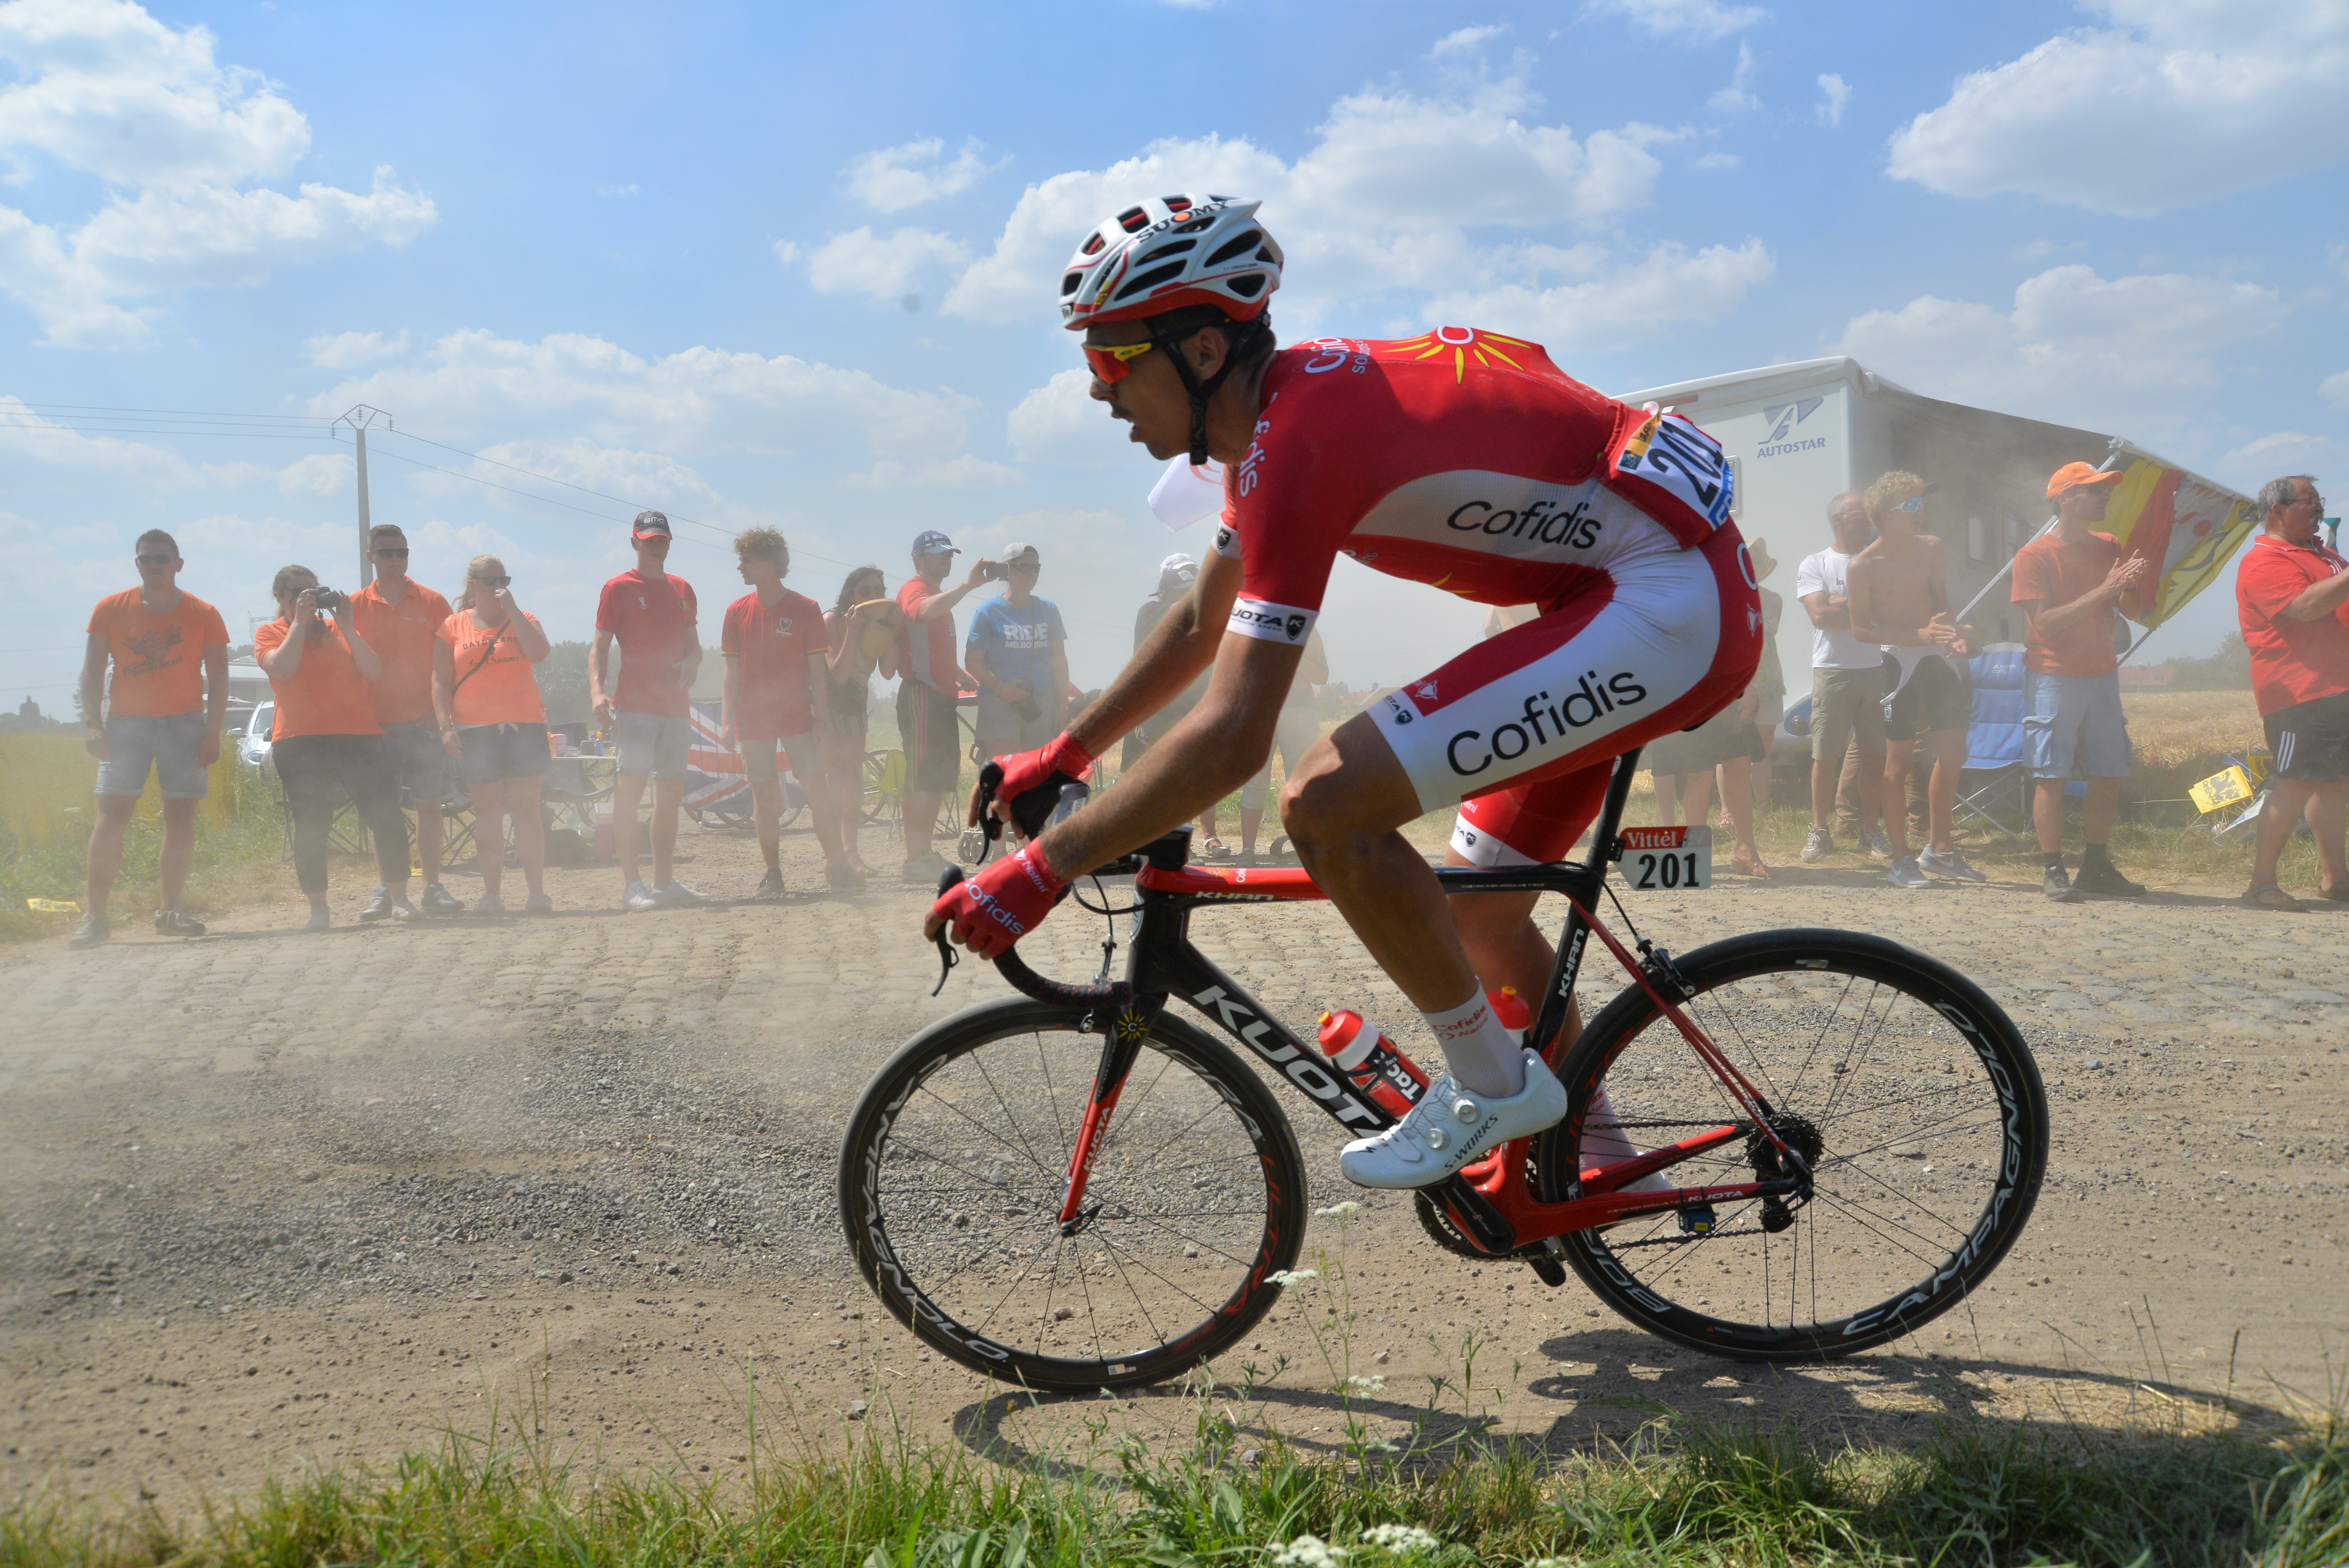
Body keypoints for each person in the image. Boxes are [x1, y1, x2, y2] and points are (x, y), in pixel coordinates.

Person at [927, 193, 1760, 1192]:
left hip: (1665, 599)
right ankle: (1594, 1159)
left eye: (1111, 357)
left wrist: (1041, 867)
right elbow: (1199, 623)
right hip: (1635, 586)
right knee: (1479, 914)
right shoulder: (1279, 424)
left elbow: (1237, 734)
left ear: (1198, 350)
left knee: (1324, 800)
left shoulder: (1300, 439)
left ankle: (1493, 1085)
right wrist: (1065, 752)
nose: (1098, 389)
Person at [71, 529, 230, 948]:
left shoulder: (204, 612)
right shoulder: (110, 608)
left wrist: (212, 732)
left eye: (163, 558)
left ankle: (170, 910)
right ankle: (96, 918)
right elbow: (90, 671)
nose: (155, 565)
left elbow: (219, 678)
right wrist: (93, 722)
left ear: (179, 564)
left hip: (185, 725)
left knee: (180, 818)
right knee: (111, 816)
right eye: (147, 558)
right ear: (136, 563)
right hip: (127, 724)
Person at [2012, 463, 2152, 903]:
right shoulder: (2033, 556)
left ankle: (2095, 866)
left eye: (2104, 490)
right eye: (2094, 491)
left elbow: (2130, 608)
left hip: (2102, 674)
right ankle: (2053, 870)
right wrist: (2104, 588)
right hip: (2053, 675)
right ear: (2064, 499)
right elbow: (2045, 625)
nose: (2104, 497)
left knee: (2107, 772)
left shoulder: (2108, 545)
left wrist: (2127, 587)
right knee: (2051, 775)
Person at [253, 566, 414, 932]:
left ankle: (401, 899)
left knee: (386, 818)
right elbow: (282, 669)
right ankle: (319, 911)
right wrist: (299, 622)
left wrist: (347, 625)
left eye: (313, 592)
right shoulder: (270, 633)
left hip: (358, 737)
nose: (307, 599)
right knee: (312, 826)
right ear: (280, 598)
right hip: (301, 741)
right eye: (297, 593)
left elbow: (374, 672)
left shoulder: (340, 632)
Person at [1848, 472, 1982, 888]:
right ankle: (1901, 858)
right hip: (1897, 661)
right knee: (1899, 763)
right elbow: (1860, 631)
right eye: (1910, 505)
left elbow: (1943, 604)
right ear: (1885, 515)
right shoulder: (1863, 565)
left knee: (1954, 751)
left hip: (1937, 655)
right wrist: (1915, 636)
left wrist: (1958, 633)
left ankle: (1940, 849)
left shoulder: (1932, 547)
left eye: (1921, 503)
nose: (1920, 511)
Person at [2233, 474, 2349, 911]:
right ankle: (2261, 885)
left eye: (2320, 501)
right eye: (2309, 502)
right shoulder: (2264, 559)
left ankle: (2336, 878)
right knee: (2295, 783)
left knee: (2335, 783)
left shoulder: (2323, 553)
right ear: (2277, 510)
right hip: (2298, 691)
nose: (2318, 509)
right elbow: (2303, 608)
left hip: (2338, 686)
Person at [720, 528, 852, 896]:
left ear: (770, 562)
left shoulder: (806, 609)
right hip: (753, 717)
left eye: (746, 560)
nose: (740, 567)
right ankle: (773, 874)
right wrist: (727, 719)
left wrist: (822, 719)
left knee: (817, 791)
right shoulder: (736, 611)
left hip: (797, 716)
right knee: (763, 797)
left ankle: (837, 864)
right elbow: (731, 672)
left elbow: (817, 672)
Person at [349, 522, 463, 919]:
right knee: (384, 813)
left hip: (423, 722)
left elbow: (454, 661)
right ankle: (388, 888)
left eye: (401, 551)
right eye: (386, 552)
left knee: (429, 807)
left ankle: (433, 886)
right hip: (374, 726)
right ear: (371, 558)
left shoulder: (433, 602)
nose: (395, 558)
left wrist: (441, 713)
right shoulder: (352, 606)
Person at [592, 511, 702, 911]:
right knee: (631, 794)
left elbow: (696, 644)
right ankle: (631, 885)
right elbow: (600, 646)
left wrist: (695, 660)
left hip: (675, 707)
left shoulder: (683, 588)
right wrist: (596, 692)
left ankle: (664, 882)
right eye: (649, 538)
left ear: (670, 543)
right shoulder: (618, 587)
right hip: (635, 706)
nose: (656, 545)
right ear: (635, 542)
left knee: (670, 796)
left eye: (662, 539)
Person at [433, 555, 555, 914]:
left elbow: (540, 653)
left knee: (527, 813)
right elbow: (440, 681)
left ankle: (537, 894)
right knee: (488, 816)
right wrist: (446, 726)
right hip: (475, 729)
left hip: (524, 725)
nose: (497, 587)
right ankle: (492, 895)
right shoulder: (452, 627)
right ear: (472, 585)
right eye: (489, 580)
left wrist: (513, 609)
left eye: (504, 579)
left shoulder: (525, 619)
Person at [893, 530, 997, 883]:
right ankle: (915, 858)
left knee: (936, 779)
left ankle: (923, 854)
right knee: (922, 778)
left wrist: (959, 674)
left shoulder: (938, 595)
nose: (946, 560)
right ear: (918, 559)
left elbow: (930, 647)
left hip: (941, 694)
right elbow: (920, 613)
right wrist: (968, 586)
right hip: (921, 693)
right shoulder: (915, 589)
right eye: (938, 555)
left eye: (948, 554)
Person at [1796, 494, 1886, 863]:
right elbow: (1819, 616)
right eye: (1860, 514)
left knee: (1873, 756)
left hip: (1874, 667)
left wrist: (1841, 604)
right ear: (1838, 519)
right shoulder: (1816, 562)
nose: (1868, 520)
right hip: (1832, 670)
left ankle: (1869, 830)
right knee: (1825, 756)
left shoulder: (1878, 561)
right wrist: (1863, 608)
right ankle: (1820, 832)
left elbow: (1891, 609)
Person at [1126, 554, 1229, 857]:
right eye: (1187, 591)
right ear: (1169, 592)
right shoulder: (1151, 611)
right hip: (1156, 709)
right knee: (1159, 779)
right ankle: (1159, 840)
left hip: (1192, 707)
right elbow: (1178, 615)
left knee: (1196, 775)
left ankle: (1197, 837)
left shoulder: (1201, 615)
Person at [823, 565, 900, 879]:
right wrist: (853, 630)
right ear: (850, 594)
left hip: (854, 705)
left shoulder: (880, 626)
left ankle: (851, 852)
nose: (872, 596)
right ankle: (834, 855)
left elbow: (888, 672)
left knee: (852, 778)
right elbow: (837, 674)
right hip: (826, 703)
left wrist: (895, 630)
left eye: (878, 590)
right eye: (864, 590)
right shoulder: (832, 620)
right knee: (833, 778)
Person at [966, 543, 1069, 765]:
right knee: (1007, 774)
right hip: (999, 702)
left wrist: (1062, 706)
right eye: (1024, 567)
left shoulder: (1049, 610)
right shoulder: (988, 612)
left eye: (1036, 568)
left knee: (1039, 777)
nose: (1032, 574)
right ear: (1008, 570)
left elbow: (1059, 661)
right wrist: (1002, 688)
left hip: (1040, 703)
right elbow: (973, 662)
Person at [1237, 627, 1327, 863]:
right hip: (1258, 712)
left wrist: (1292, 655)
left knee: (1301, 784)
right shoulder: (1251, 625)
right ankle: (1248, 851)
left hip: (1300, 712)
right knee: (1255, 783)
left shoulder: (1307, 628)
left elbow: (1322, 676)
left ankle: (1305, 849)